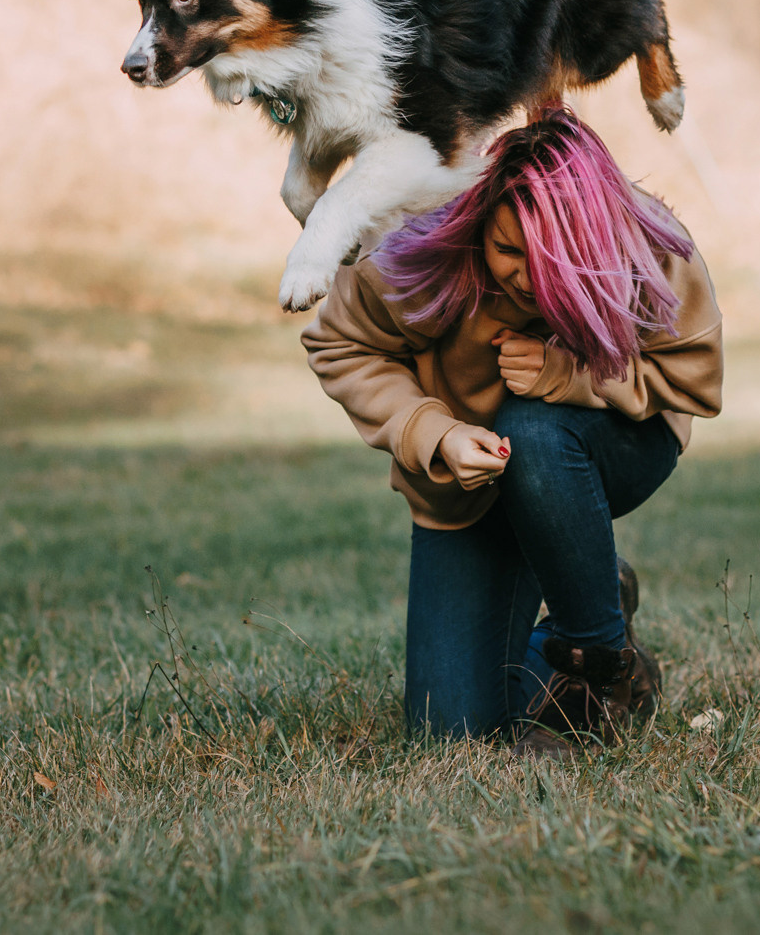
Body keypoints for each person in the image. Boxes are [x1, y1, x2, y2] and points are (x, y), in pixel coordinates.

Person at [301, 108, 723, 756]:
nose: (520, 279)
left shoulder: (647, 244)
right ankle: (599, 590)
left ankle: (597, 672)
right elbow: (339, 343)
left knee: (535, 433)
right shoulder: (425, 242)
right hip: (470, 487)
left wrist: (571, 374)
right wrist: (435, 432)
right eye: (505, 250)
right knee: (450, 727)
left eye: (548, 264)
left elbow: (694, 380)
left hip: (605, 446)